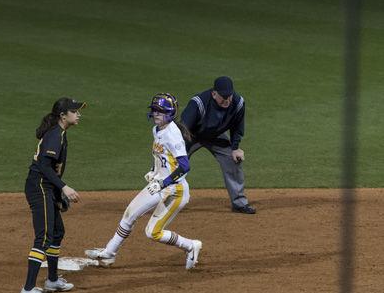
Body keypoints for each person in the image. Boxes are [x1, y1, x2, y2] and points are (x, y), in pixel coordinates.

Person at [85, 93, 202, 270]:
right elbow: (160, 155)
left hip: (175, 190)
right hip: (158, 184)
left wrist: (163, 182)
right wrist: (154, 171)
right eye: (154, 110)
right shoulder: (157, 130)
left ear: (170, 113)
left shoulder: (173, 135)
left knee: (152, 232)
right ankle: (109, 253)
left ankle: (190, 245)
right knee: (130, 213)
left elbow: (185, 166)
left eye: (160, 111)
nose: (156, 114)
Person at [20, 97, 85, 293]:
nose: (78, 114)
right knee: (45, 236)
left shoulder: (60, 133)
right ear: (63, 115)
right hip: (39, 187)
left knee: (57, 232)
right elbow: (45, 167)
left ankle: (52, 280)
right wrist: (64, 188)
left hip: (46, 187)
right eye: (74, 111)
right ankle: (28, 288)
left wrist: (57, 194)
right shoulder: (55, 135)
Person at [180, 76, 256, 214]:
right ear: (214, 94)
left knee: (233, 160)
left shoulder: (238, 103)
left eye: (229, 96)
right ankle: (164, 201)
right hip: (191, 136)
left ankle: (239, 203)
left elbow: (237, 127)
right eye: (223, 97)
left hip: (216, 136)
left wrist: (235, 147)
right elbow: (183, 127)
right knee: (174, 164)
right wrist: (177, 150)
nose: (227, 100)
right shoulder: (198, 103)